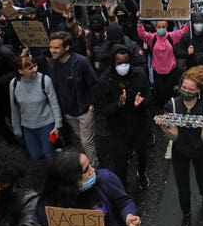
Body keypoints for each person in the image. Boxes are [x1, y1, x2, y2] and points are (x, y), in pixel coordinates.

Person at [153, 66, 203, 226]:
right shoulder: (173, 104)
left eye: (190, 89)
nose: (186, 92)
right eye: (184, 88)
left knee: (202, 180)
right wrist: (162, 127)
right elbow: (174, 135)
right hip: (180, 151)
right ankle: (186, 216)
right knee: (183, 188)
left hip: (200, 150)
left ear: (199, 90)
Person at [37, 150, 142, 226]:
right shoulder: (48, 209)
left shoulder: (105, 179)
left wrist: (128, 216)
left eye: (90, 165)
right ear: (71, 180)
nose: (93, 170)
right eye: (86, 169)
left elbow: (124, 202)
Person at [97, 44, 151, 191]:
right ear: (113, 64)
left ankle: (141, 173)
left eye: (126, 62)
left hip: (139, 124)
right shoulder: (105, 80)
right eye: (119, 63)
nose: (123, 66)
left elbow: (149, 97)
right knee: (120, 161)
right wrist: (117, 104)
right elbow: (103, 109)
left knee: (142, 154)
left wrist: (141, 103)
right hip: (118, 129)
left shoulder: (139, 75)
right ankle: (123, 184)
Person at [48, 31, 100, 167]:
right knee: (82, 140)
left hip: (84, 111)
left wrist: (91, 106)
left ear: (67, 47)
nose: (52, 50)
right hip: (69, 113)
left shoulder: (80, 62)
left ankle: (93, 169)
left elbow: (94, 84)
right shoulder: (52, 64)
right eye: (51, 47)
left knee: (87, 142)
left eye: (56, 48)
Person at [9, 56, 63, 160]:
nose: (35, 69)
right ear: (20, 71)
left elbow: (54, 104)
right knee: (35, 156)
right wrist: (16, 128)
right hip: (28, 127)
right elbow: (14, 107)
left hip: (47, 124)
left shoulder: (45, 80)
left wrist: (57, 125)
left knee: (49, 154)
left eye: (35, 65)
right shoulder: (14, 84)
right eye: (30, 68)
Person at [137, 17, 190, 107]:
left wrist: (189, 18)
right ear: (155, 27)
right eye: (159, 27)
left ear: (167, 27)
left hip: (170, 70)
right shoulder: (152, 37)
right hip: (158, 71)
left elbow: (183, 31)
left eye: (163, 27)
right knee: (160, 94)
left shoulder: (171, 36)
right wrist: (139, 22)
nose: (161, 29)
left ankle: (170, 108)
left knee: (169, 93)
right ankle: (161, 109)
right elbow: (142, 34)